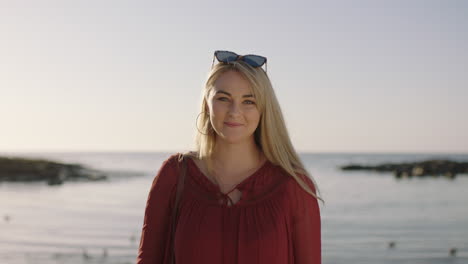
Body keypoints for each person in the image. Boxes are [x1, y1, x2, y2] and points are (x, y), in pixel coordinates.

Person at [136, 50, 323, 264]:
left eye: (248, 101)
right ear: (207, 104)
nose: (235, 111)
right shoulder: (175, 175)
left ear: (264, 109)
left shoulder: (295, 187)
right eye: (223, 98)